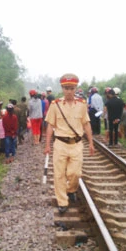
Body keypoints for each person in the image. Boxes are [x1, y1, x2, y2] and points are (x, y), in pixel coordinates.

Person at [44, 73, 95, 214]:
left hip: (77, 144)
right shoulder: (55, 105)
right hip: (60, 143)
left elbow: (86, 124)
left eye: (71, 88)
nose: (69, 91)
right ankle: (62, 201)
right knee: (59, 174)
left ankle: (71, 189)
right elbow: (50, 126)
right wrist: (47, 145)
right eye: (66, 88)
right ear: (62, 88)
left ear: (76, 88)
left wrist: (91, 143)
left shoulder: (82, 105)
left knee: (75, 173)